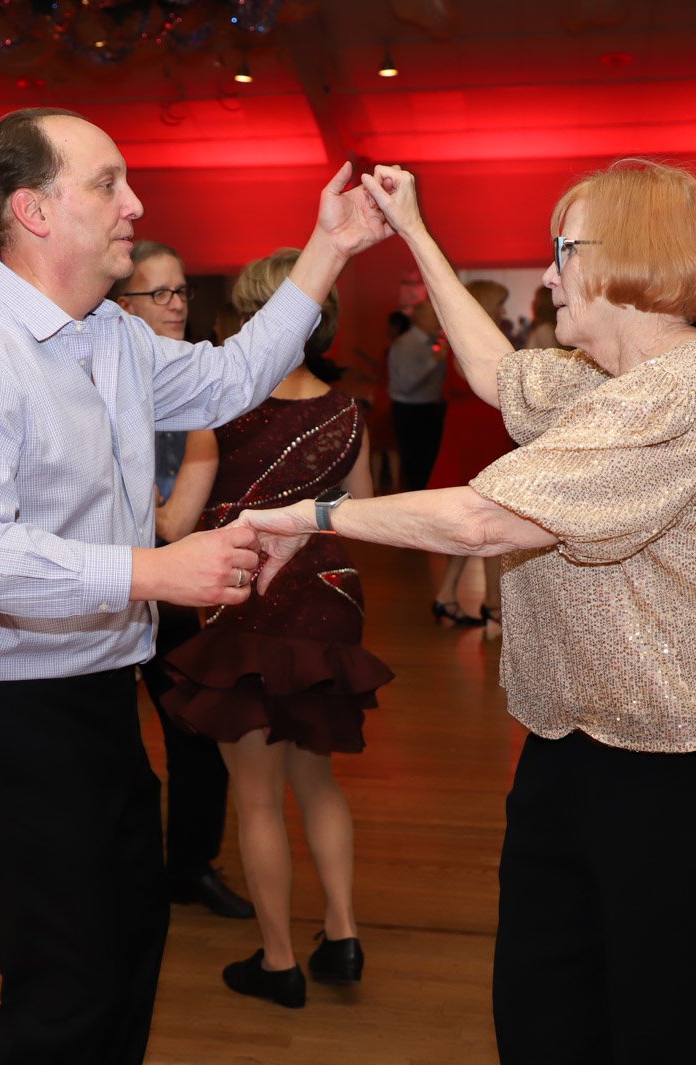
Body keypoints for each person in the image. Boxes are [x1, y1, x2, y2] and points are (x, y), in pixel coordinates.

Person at [234, 159, 696, 1064]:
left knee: (688, 1024)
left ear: (628, 255)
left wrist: (307, 516)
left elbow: (483, 520)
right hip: (574, 742)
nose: (550, 277)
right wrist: (416, 232)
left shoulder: (690, 388)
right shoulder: (608, 380)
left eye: (562, 251)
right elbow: (496, 372)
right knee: (552, 1003)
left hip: (685, 760)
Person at [0, 108, 390, 1065]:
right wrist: (150, 570)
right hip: (8, 716)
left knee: (126, 950)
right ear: (34, 210)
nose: (136, 204)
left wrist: (329, 247)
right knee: (65, 988)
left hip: (96, 698)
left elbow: (232, 377)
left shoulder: (109, 336)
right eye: (109, 183)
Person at [155, 248, 391, 1009]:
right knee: (316, 778)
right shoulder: (347, 411)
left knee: (256, 796)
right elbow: (365, 514)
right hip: (330, 599)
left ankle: (279, 960)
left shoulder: (218, 406)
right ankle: (343, 934)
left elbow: (176, 524)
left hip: (246, 604)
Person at [114, 239, 254, 921]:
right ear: (121, 306)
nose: (176, 305)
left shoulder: (200, 383)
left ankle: (189, 867)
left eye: (181, 291)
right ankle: (127, 870)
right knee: (109, 744)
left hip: (177, 591)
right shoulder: (98, 379)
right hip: (100, 589)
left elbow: (175, 523)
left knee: (196, 737)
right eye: (159, 293)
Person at [427, 279, 515, 629]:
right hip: (478, 433)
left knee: (476, 516)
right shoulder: (474, 341)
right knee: (491, 517)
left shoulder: (464, 338)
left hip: (474, 430)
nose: (503, 310)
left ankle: (447, 595)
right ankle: (492, 604)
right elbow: (494, 384)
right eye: (499, 303)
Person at [387, 296, 447, 491]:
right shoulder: (407, 344)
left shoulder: (430, 342)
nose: (438, 321)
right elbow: (407, 383)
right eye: (434, 316)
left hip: (429, 409)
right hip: (411, 412)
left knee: (429, 463)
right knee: (416, 466)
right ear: (420, 318)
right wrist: (435, 360)